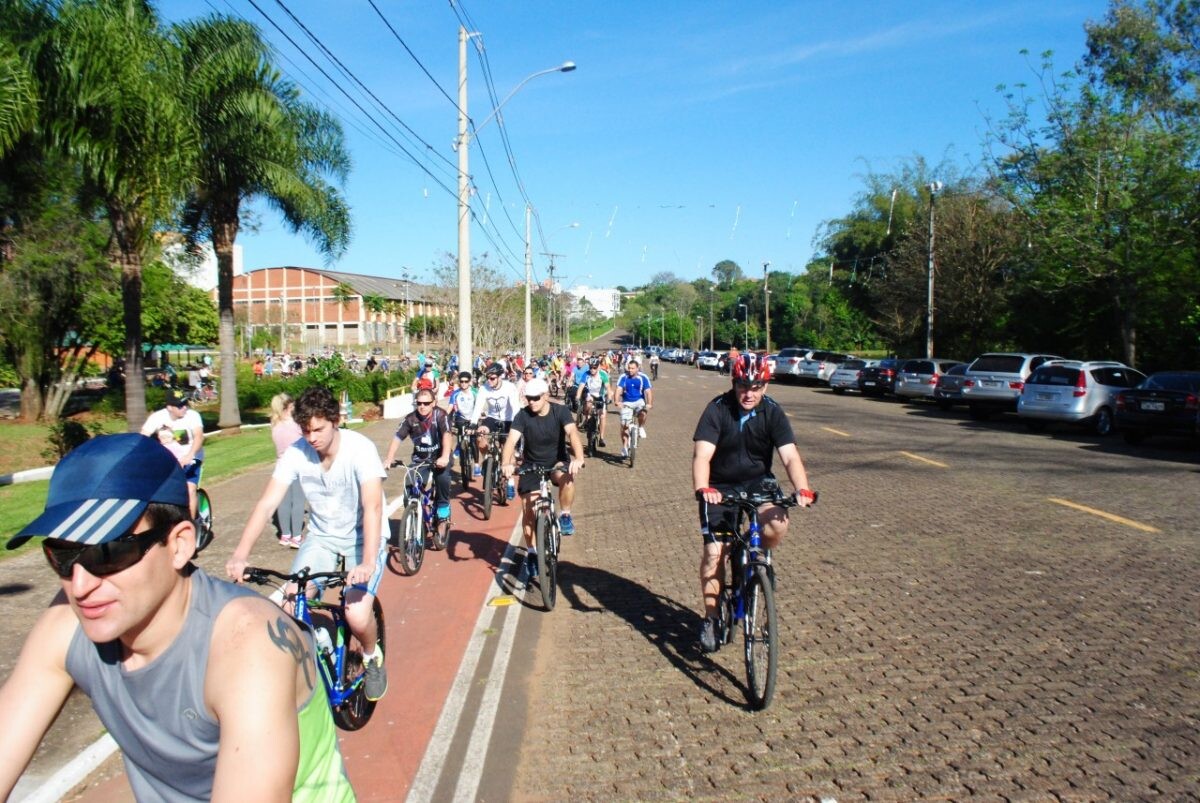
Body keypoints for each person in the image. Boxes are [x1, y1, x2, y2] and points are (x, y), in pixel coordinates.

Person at [0, 434, 354, 801]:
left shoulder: (248, 643)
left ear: (180, 544)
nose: (80, 584)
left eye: (107, 552)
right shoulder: (69, 622)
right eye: (62, 555)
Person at [228, 386, 389, 702]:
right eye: (306, 430)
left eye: (319, 429)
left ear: (335, 420)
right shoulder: (296, 453)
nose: (312, 437)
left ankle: (372, 656)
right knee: (289, 604)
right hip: (322, 537)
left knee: (356, 614)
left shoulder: (360, 449)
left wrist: (368, 562)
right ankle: (321, 644)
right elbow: (266, 504)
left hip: (362, 536)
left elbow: (372, 507)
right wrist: (240, 554)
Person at [692, 353, 815, 653]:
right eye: (743, 386)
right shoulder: (717, 409)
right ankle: (710, 618)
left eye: (757, 387)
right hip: (719, 487)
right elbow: (702, 455)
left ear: (765, 387)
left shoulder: (772, 412)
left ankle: (757, 561)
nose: (750, 393)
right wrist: (703, 488)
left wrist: (802, 489)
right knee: (714, 553)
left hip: (759, 483)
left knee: (777, 524)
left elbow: (789, 456)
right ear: (734, 384)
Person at [501, 378, 585, 581]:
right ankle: (531, 552)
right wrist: (506, 463)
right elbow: (511, 440)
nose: (531, 402)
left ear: (546, 396)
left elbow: (572, 433)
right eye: (528, 398)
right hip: (531, 465)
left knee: (567, 477)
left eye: (535, 398)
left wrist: (579, 458)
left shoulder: (561, 411)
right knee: (528, 509)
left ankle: (565, 515)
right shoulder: (523, 415)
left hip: (556, 462)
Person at [383, 386, 455, 523]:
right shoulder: (410, 419)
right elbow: (397, 438)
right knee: (409, 487)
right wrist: (389, 459)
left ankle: (443, 505)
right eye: (419, 403)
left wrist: (445, 456)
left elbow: (447, 434)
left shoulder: (440, 415)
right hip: (420, 459)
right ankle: (417, 513)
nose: (422, 406)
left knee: (442, 478)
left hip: (440, 456)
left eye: (426, 403)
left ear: (433, 403)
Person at [139, 390, 204, 518]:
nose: (184, 408)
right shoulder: (157, 417)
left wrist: (190, 455)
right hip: (169, 461)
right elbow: (143, 438)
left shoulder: (193, 416)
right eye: (180, 406)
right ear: (169, 407)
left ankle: (190, 525)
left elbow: (199, 437)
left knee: (189, 489)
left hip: (192, 459)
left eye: (185, 404)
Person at [470, 362, 520, 477]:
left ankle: (508, 481)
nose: (489, 381)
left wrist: (518, 424)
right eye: (487, 378)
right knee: (480, 436)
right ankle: (487, 458)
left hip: (508, 420)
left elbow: (515, 407)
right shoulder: (484, 388)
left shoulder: (509, 387)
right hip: (492, 418)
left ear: (500, 377)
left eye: (492, 378)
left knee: (509, 456)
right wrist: (473, 423)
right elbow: (478, 407)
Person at [270, 393, 306, 549]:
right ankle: (296, 536)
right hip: (297, 466)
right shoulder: (296, 425)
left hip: (280, 466)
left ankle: (285, 534)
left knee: (283, 502)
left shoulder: (276, 425)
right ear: (286, 408)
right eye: (292, 406)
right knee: (298, 501)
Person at [615, 359, 654, 457]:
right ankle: (624, 447)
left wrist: (649, 404)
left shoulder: (643, 377)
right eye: (629, 368)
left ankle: (640, 427)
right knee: (624, 426)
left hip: (638, 401)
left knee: (643, 412)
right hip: (627, 402)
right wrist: (616, 401)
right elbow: (618, 390)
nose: (630, 370)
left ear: (638, 368)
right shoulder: (623, 377)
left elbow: (648, 392)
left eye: (633, 368)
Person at [575, 358, 610, 448]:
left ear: (598, 367)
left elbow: (608, 388)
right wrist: (577, 397)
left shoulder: (603, 374)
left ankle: (601, 438)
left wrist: (609, 398)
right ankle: (587, 419)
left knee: (602, 415)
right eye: (591, 367)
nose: (592, 369)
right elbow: (581, 386)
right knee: (588, 403)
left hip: (600, 396)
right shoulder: (586, 374)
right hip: (591, 395)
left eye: (594, 367)